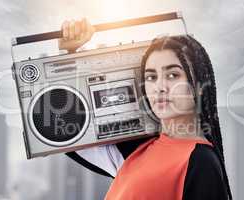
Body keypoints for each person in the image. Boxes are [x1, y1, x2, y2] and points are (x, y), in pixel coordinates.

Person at [59, 18, 233, 200]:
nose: (160, 86)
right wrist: (68, 54)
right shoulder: (137, 151)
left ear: (199, 85)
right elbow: (67, 133)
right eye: (151, 77)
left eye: (173, 75)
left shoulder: (201, 162)